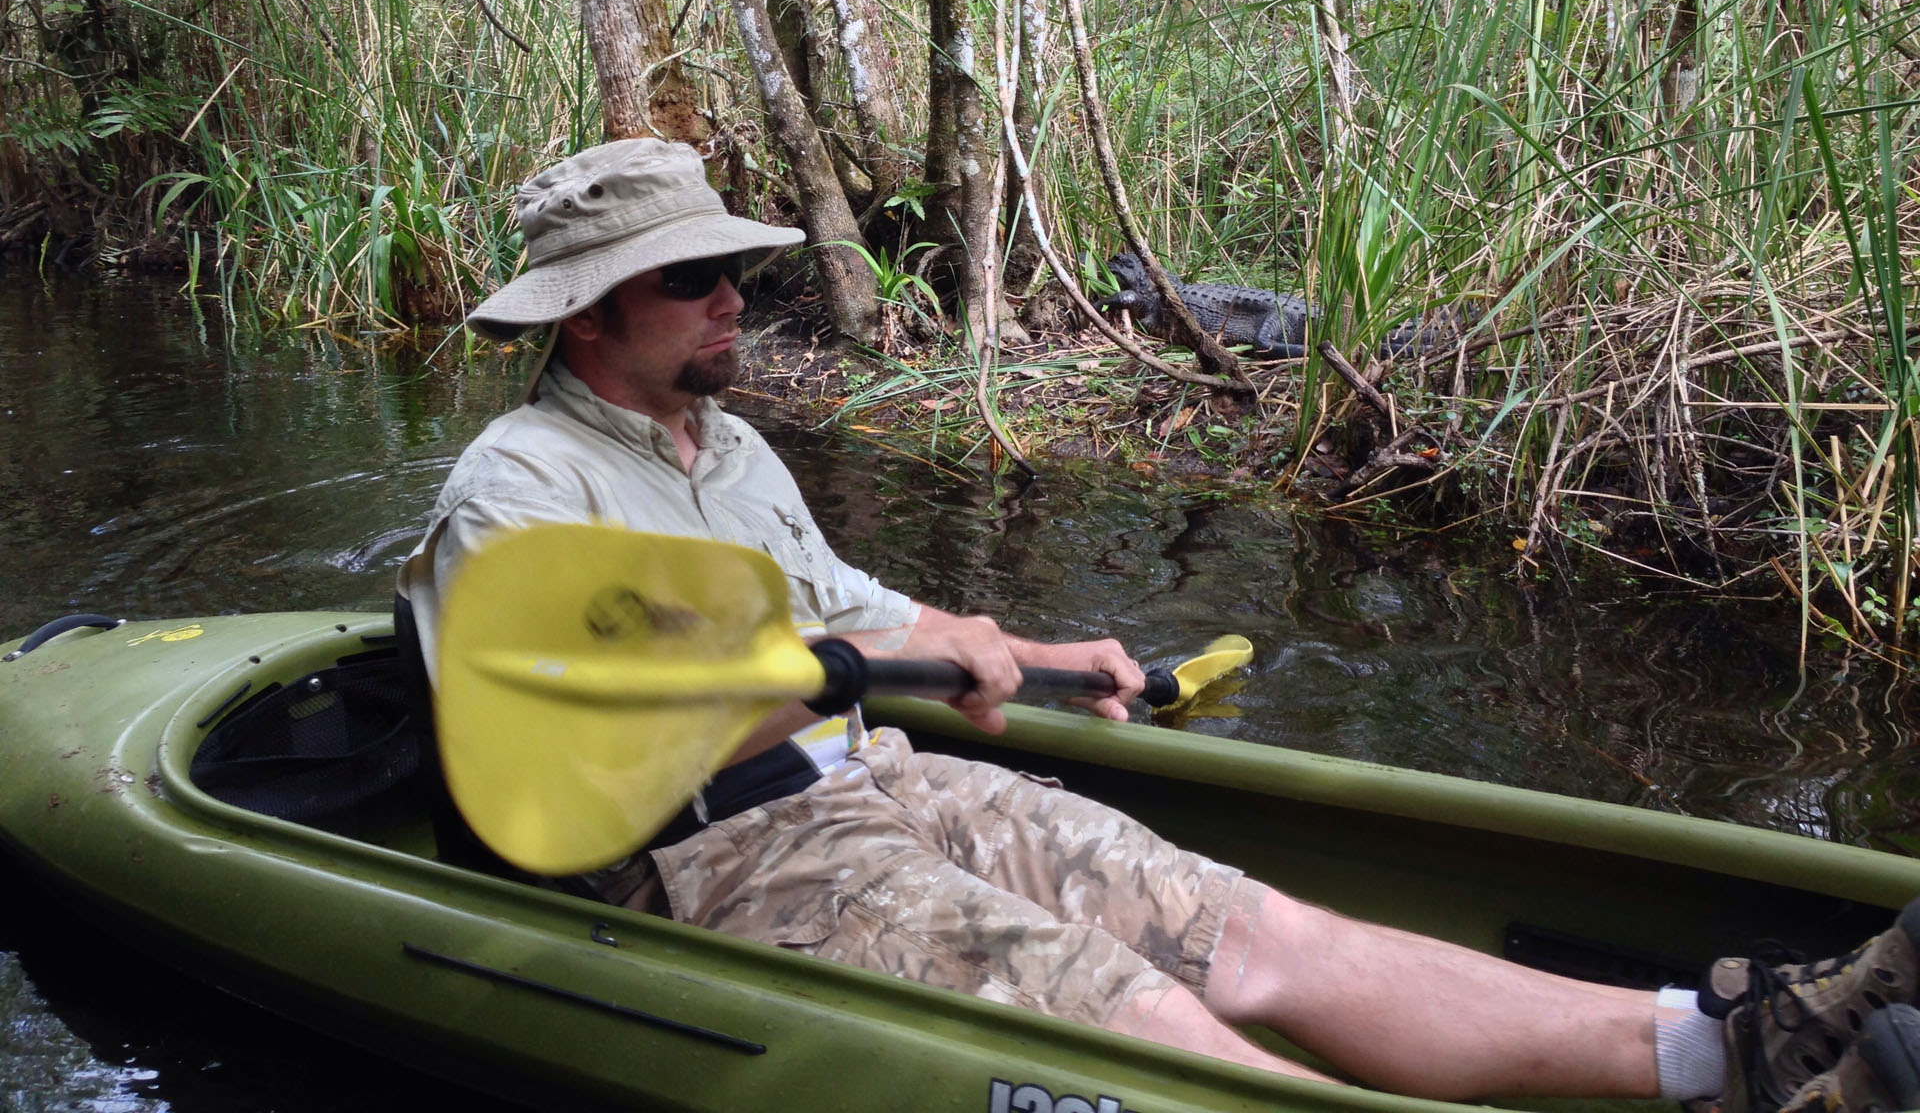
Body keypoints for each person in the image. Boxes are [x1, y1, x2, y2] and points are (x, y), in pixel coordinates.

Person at [399, 138, 1920, 1113]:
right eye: (693, 279)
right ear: (588, 313)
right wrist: (855, 670)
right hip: (710, 851)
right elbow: (614, 730)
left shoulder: (722, 445)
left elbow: (854, 607)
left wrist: (1030, 651)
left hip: (875, 776)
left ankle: (1736, 1047)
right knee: (1135, 1010)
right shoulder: (519, 490)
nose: (737, 297)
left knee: (1254, 936)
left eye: (739, 268)